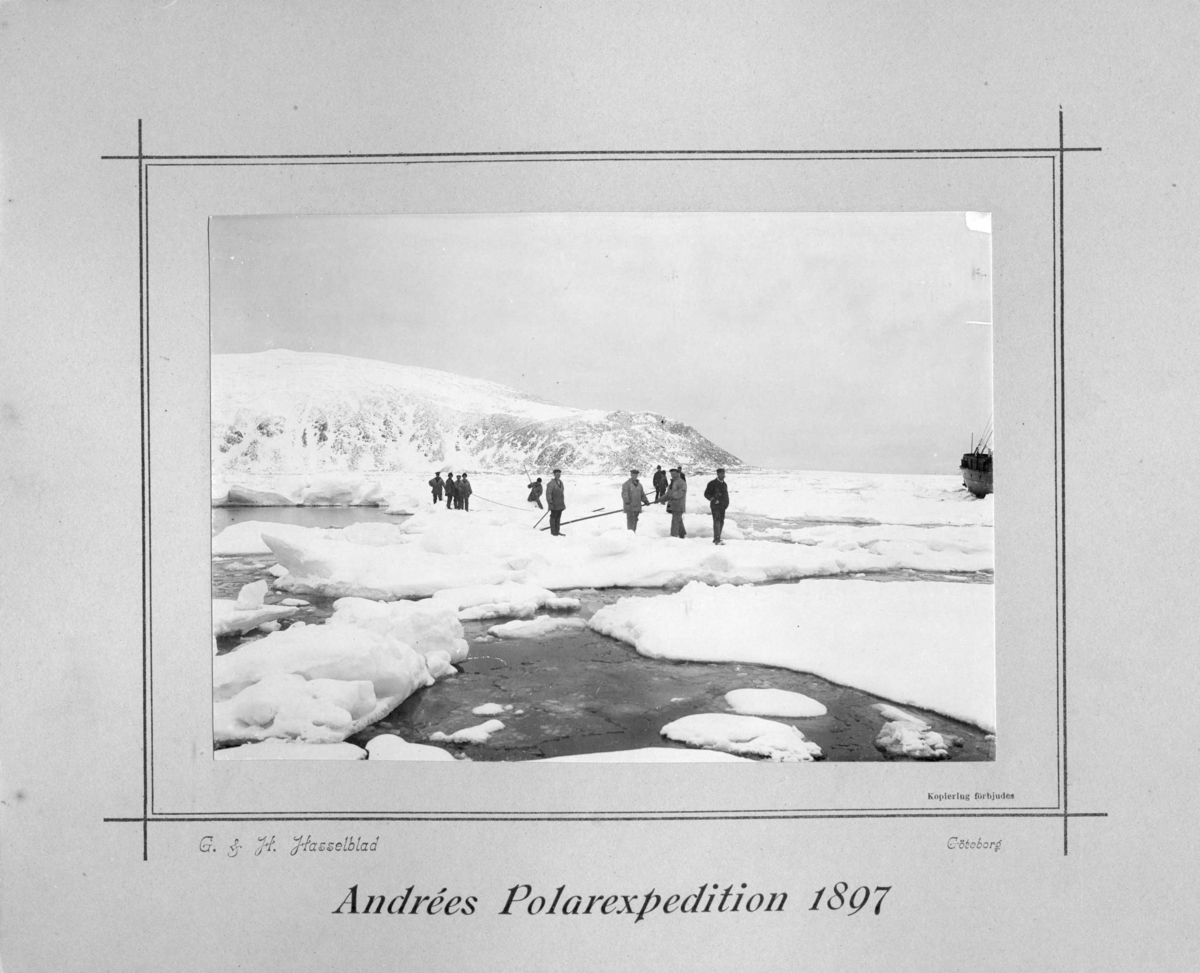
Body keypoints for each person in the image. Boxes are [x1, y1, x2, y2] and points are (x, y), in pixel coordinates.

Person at [703, 468, 730, 544]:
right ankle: (717, 539)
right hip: (715, 506)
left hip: (722, 506)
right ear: (717, 474)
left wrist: (726, 503)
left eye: (723, 473)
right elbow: (706, 494)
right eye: (721, 473)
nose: (723, 475)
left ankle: (717, 538)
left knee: (721, 521)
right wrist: (713, 500)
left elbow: (726, 495)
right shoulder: (712, 483)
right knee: (717, 521)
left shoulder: (724, 484)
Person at [665, 467, 687, 538]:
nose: (673, 475)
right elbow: (667, 494)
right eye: (671, 474)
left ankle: (673, 537)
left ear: (678, 474)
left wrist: (673, 494)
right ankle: (682, 534)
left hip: (679, 505)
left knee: (675, 521)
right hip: (673, 505)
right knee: (678, 520)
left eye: (674, 474)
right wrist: (659, 500)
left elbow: (682, 492)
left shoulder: (681, 482)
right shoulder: (672, 483)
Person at [546, 468, 566, 536]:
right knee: (553, 517)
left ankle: (557, 531)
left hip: (560, 504)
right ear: (554, 474)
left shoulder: (561, 482)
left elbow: (561, 492)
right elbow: (548, 493)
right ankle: (553, 532)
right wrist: (550, 502)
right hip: (554, 504)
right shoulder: (550, 484)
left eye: (559, 474)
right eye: (557, 474)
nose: (558, 475)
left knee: (558, 517)